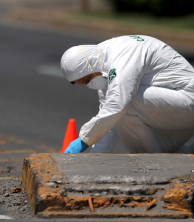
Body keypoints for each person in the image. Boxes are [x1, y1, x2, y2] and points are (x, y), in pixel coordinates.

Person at [60, 35, 194, 154]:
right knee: (117, 106)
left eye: (86, 80)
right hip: (180, 104)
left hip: (189, 99)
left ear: (90, 66)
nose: (88, 85)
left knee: (125, 101)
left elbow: (117, 105)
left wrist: (84, 140)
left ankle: (151, 158)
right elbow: (107, 121)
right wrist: (96, 158)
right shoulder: (106, 67)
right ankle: (158, 155)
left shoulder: (122, 55)